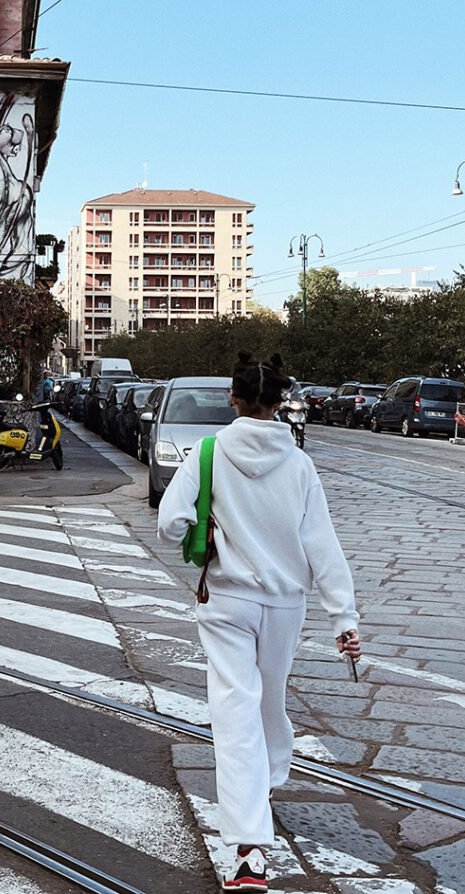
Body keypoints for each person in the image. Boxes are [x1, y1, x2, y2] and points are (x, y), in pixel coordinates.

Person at [157, 352, 360, 893]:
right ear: (278, 403)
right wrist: (344, 615)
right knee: (269, 698)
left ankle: (248, 851)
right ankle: (264, 788)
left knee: (235, 710)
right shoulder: (299, 463)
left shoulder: (207, 452)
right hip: (286, 605)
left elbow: (169, 523)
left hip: (226, 600)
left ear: (234, 398)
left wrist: (209, 531)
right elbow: (322, 542)